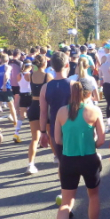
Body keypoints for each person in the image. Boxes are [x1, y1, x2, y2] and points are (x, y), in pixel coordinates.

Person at [49, 81, 106, 219]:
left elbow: (57, 139)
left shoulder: (61, 112)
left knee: (66, 203)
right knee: (93, 196)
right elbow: (102, 139)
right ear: (88, 94)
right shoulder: (94, 111)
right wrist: (90, 144)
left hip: (68, 160)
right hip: (89, 159)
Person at [40, 52, 73, 193]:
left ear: (52, 66)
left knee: (62, 162)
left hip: (55, 129)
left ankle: (64, 191)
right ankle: (72, 191)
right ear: (67, 65)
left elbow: (43, 113)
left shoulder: (45, 87)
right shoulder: (73, 85)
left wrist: (42, 132)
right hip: (72, 128)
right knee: (75, 160)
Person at [26, 54, 51, 175]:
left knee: (35, 138)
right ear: (44, 63)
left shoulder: (30, 76)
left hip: (33, 106)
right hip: (44, 106)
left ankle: (30, 164)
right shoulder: (48, 76)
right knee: (50, 135)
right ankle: (57, 158)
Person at [0, 53, 17, 132]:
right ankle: (15, 121)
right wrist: (4, 85)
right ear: (7, 60)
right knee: (11, 106)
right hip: (6, 89)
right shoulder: (8, 67)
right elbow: (6, 75)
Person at [14, 61, 33, 144]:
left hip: (22, 95)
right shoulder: (29, 75)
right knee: (32, 116)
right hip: (29, 95)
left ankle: (16, 133)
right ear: (30, 66)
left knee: (22, 116)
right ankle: (35, 135)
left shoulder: (19, 75)